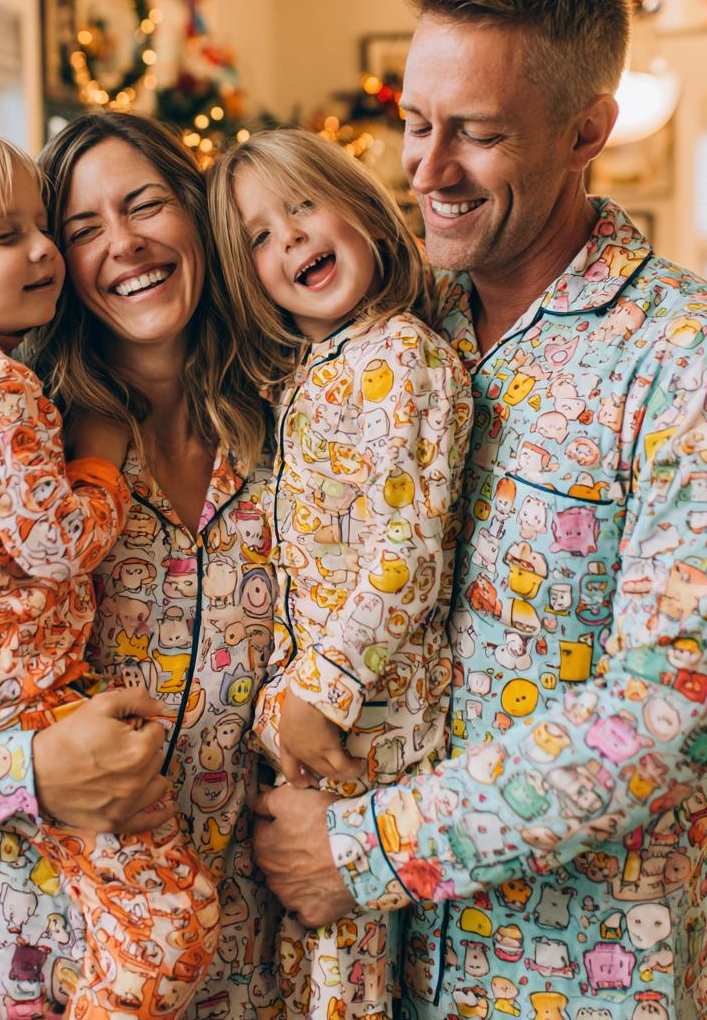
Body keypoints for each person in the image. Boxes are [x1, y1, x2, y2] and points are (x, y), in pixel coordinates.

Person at [252, 0, 707, 1020]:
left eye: (478, 135)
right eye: (414, 122)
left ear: (589, 129)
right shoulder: (381, 322)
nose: (427, 169)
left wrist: (364, 850)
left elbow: (669, 712)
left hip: (579, 974)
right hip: (369, 972)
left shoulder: (696, 360)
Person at [0, 113, 281, 1020]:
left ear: (198, 216)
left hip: (230, 962)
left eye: (147, 203)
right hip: (8, 951)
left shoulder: (302, 430)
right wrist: (26, 769)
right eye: (79, 228)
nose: (121, 244)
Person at [208, 129, 472, 1020]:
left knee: (343, 968)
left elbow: (407, 559)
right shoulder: (307, 375)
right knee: (311, 963)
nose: (287, 239)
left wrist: (322, 687)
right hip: (316, 715)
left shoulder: (404, 357)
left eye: (303, 207)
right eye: (256, 237)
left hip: (370, 718)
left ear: (361, 211)